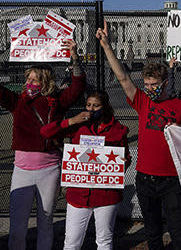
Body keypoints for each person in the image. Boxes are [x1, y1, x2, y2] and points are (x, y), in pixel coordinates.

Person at [96, 21, 181, 250]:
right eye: (146, 83)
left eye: (154, 84)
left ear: (165, 83)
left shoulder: (180, 107)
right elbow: (123, 78)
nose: (149, 87)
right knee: (153, 232)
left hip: (172, 179)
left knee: (179, 231)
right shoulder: (142, 101)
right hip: (145, 177)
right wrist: (107, 47)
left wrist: (178, 131)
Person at [0, 40, 86, 250]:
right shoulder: (17, 101)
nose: (30, 83)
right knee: (17, 225)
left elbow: (77, 87)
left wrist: (74, 57)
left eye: (35, 80)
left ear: (45, 82)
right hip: (21, 170)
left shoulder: (57, 101)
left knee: (45, 222)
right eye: (28, 79)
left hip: (49, 169)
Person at [40, 90, 130, 250]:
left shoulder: (118, 129)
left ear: (105, 107)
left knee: (104, 241)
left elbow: (126, 157)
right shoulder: (78, 126)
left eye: (96, 106)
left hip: (106, 195)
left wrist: (123, 162)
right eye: (88, 105)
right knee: (71, 242)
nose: (91, 109)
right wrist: (71, 120)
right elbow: (45, 132)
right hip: (79, 195)